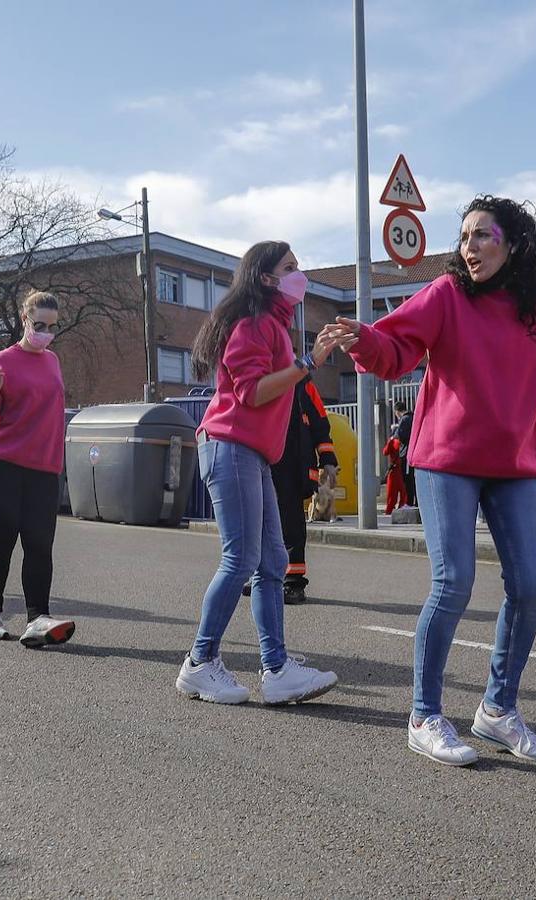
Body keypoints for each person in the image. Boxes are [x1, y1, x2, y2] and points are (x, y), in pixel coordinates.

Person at [329, 195, 536, 767]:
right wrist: (363, 340)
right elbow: (397, 347)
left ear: (514, 243)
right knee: (454, 581)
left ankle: (498, 711)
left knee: (533, 584)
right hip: (445, 457)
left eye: (483, 236)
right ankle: (424, 716)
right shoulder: (446, 295)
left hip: (514, 461)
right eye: (465, 236)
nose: (469, 247)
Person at [174, 240, 340, 706]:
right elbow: (251, 393)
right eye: (289, 267)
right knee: (242, 560)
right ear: (266, 278)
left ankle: (277, 670)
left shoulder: (273, 325)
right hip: (230, 446)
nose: (298, 274)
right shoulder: (253, 324)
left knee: (272, 564)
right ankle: (200, 662)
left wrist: (308, 360)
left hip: (251, 454)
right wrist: (308, 364)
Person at [0, 290, 75, 647]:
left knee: (40, 544)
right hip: (0, 464)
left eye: (52, 327)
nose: (45, 332)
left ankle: (38, 618)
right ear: (24, 321)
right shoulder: (2, 361)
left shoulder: (53, 361)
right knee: (2, 539)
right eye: (39, 324)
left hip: (44, 468)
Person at [269, 376, 337, 604]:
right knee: (264, 524)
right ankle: (266, 577)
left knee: (291, 525)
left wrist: (327, 459)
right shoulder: (261, 375)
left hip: (293, 467)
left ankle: (293, 583)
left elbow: (320, 424)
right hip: (266, 464)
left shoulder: (303, 384)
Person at [393, 401, 416, 507]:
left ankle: (409, 502)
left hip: (406, 453)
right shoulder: (414, 417)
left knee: (407, 479)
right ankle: (415, 502)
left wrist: (394, 433)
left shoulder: (404, 420)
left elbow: (399, 435)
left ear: (397, 411)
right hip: (414, 452)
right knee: (413, 479)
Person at [382, 434, 408, 515]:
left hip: (396, 471)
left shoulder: (393, 442)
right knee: (401, 492)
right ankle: (398, 508)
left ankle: (390, 510)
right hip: (399, 471)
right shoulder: (399, 442)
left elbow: (385, 452)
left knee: (393, 493)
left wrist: (390, 441)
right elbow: (385, 452)